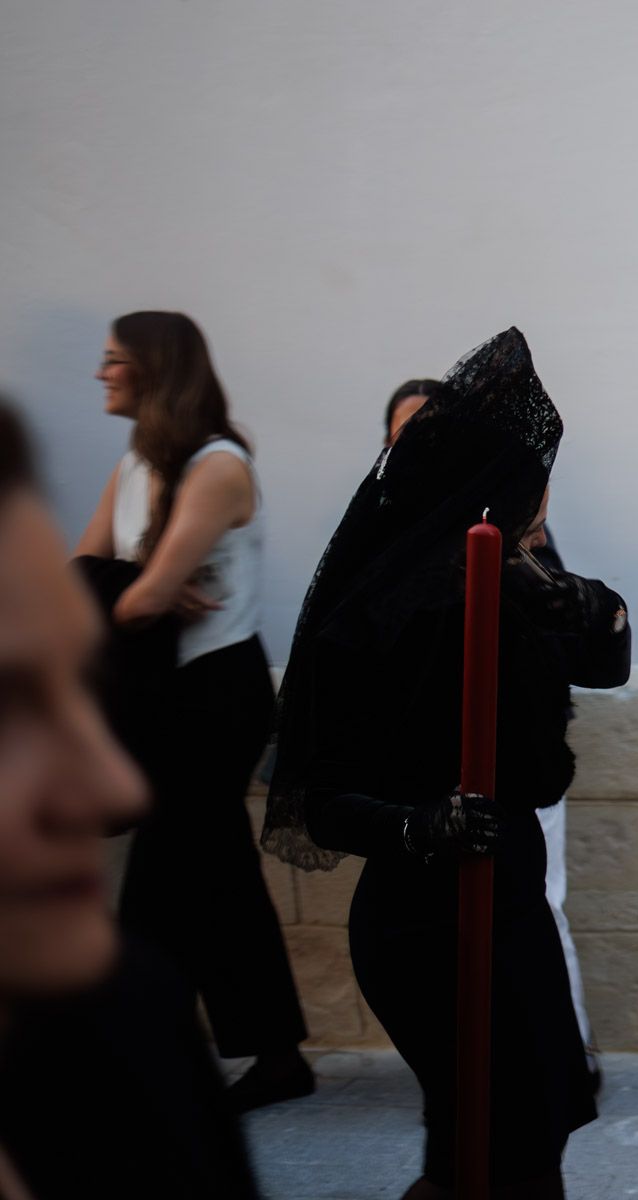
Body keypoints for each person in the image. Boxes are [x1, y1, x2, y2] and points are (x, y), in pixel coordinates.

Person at [265, 329, 629, 1198]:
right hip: (428, 920)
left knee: (531, 1136)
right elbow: (317, 802)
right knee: (485, 1151)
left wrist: (567, 596)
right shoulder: (382, 613)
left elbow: (606, 661)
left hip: (510, 900)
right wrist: (419, 823)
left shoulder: (521, 574)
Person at [0, 398, 261, 1198]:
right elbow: (119, 587)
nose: (107, 785)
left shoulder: (132, 1035)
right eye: (7, 707)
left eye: (77, 683)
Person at [73, 311, 312, 1112]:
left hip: (215, 695)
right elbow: (91, 574)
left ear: (155, 368)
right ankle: (267, 1056)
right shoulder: (137, 460)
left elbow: (133, 597)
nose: (102, 373)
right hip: (167, 695)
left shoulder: (218, 466)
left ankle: (153, 1057)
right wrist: (129, 588)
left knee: (172, 875)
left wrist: (132, 588)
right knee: (212, 874)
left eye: (114, 361)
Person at [383, 375, 600, 1091]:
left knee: (539, 905)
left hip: (512, 776)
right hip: (423, 796)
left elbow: (576, 653)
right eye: (402, 439)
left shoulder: (512, 543)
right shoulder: (380, 553)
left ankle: (566, 1057)